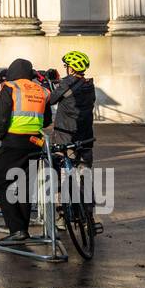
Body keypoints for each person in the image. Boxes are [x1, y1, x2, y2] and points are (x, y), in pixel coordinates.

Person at [0, 57, 52, 245]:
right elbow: (47, 119)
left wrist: (1, 135)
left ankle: (17, 229)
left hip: (13, 141)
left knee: (1, 182)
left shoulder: (10, 87)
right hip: (36, 142)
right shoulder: (42, 91)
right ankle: (22, 229)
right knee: (27, 187)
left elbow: (2, 116)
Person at [49, 50, 98, 229]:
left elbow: (51, 100)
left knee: (60, 174)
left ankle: (62, 216)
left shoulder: (67, 83)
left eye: (66, 67)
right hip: (86, 138)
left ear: (70, 68)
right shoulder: (90, 86)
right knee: (85, 175)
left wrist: (55, 84)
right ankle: (89, 217)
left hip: (65, 138)